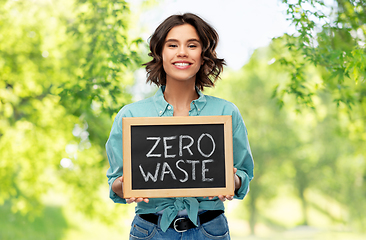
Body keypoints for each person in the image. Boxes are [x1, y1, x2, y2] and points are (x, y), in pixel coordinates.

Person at [106, 13, 254, 239]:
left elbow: (243, 174)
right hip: (150, 230)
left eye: (192, 45)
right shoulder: (131, 116)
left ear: (203, 55)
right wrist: (124, 185)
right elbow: (115, 182)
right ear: (160, 53)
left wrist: (231, 181)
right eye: (172, 44)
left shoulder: (226, 113)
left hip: (210, 229)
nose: (182, 52)